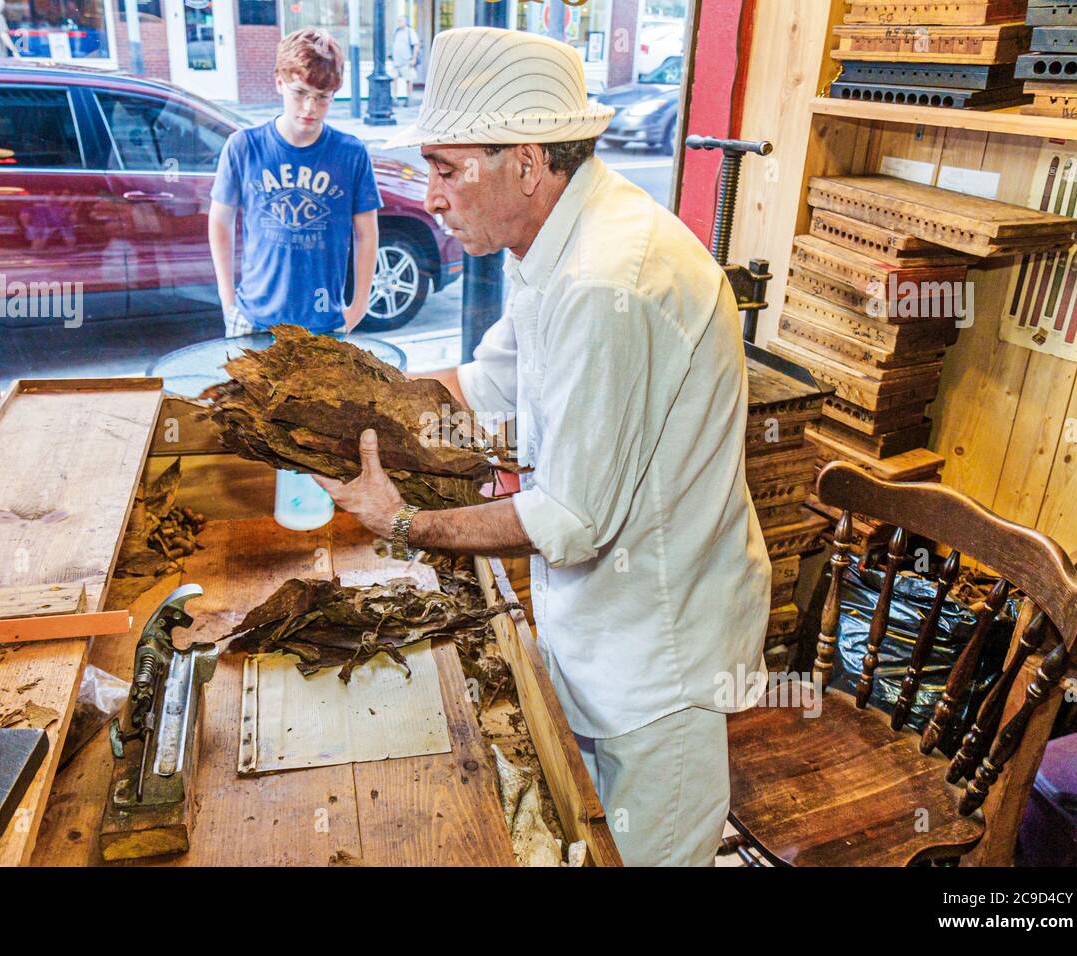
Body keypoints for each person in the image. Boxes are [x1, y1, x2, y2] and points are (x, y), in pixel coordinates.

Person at [313, 28, 771, 867]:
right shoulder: (552, 244)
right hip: (590, 621)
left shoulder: (608, 280)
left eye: (448, 170)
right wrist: (351, 413)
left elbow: (571, 518)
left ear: (527, 161)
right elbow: (486, 390)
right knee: (580, 830)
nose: (433, 196)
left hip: (655, 654)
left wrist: (405, 524)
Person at [209, 28, 380, 337]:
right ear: (279, 82)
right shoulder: (243, 146)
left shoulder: (351, 153)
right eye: (300, 93)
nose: (309, 108)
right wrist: (227, 299)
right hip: (253, 318)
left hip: (324, 323)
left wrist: (358, 307)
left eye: (321, 98)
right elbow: (220, 220)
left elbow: (366, 232)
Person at [391, 15, 420, 105]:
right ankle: (394, 98)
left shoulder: (410, 32)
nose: (399, 23)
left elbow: (416, 45)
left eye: (401, 21)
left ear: (405, 22)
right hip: (396, 62)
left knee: (408, 80)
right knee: (393, 79)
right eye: (398, 21)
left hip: (406, 61)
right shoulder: (396, 31)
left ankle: (409, 98)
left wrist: (414, 58)